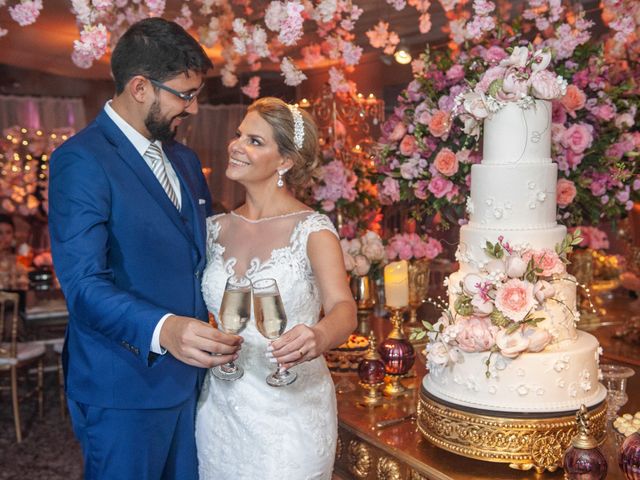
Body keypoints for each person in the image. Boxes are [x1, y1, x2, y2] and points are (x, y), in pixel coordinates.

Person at [48, 18, 242, 480]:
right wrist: (165, 329)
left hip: (193, 383)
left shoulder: (186, 159)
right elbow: (82, 285)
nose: (193, 109)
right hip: (123, 388)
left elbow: (197, 256)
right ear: (140, 87)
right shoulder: (80, 160)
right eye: (185, 94)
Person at [196, 97, 357, 479]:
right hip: (221, 408)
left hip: (290, 413)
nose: (236, 145)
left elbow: (343, 308)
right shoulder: (213, 228)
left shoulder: (313, 229)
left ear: (285, 161)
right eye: (239, 135)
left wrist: (318, 336)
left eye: (255, 141)